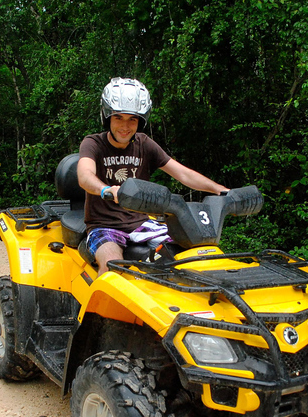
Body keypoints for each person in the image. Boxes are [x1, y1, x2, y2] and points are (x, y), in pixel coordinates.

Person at [77, 77, 228, 275]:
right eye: (119, 118)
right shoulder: (93, 143)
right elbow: (85, 175)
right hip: (105, 226)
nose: (125, 126)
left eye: (132, 119)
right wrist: (106, 189)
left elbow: (183, 173)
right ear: (107, 117)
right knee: (112, 269)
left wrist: (221, 190)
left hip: (142, 223)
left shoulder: (144, 143)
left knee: (197, 253)